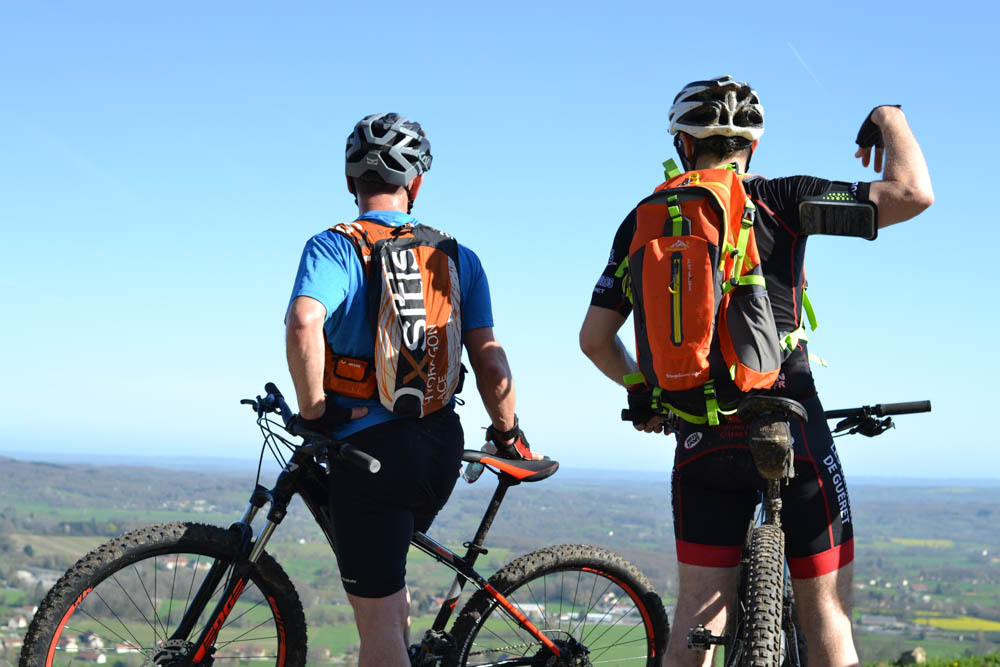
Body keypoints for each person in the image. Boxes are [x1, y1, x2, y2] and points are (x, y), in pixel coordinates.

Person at [579, 76, 933, 667]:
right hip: (787, 421)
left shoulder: (643, 220)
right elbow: (911, 194)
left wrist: (645, 391)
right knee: (827, 617)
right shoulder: (784, 199)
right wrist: (888, 116)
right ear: (752, 147)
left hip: (699, 432)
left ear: (683, 146)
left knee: (695, 613)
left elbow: (595, 340)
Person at [285, 112, 538, 667]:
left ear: (350, 181)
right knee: (387, 592)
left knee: (374, 630)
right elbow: (491, 362)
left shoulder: (334, 247)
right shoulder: (459, 258)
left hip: (369, 455)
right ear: (416, 184)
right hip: (438, 449)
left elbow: (305, 323)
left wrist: (314, 412)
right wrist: (509, 434)